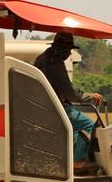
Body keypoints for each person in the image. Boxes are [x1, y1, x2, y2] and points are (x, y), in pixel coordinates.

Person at [34, 32, 102, 169]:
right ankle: (76, 161)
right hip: (56, 107)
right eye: (68, 49)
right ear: (62, 48)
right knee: (88, 124)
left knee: (73, 130)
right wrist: (91, 96)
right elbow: (71, 94)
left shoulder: (41, 59)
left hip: (42, 106)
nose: (69, 53)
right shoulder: (56, 65)